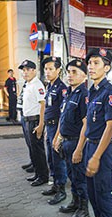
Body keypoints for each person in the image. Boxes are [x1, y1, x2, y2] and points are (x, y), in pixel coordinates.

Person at [78, 48, 112, 217]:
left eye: (96, 63)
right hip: (90, 146)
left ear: (107, 67)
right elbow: (88, 123)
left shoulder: (110, 93)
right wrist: (82, 149)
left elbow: (110, 127)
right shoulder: (92, 91)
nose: (91, 67)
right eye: (90, 63)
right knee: (91, 190)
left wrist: (96, 156)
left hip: (102, 150)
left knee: (103, 191)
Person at [53, 59, 90, 217]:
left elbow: (86, 124)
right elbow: (63, 117)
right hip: (66, 141)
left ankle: (84, 209)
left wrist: (80, 149)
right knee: (71, 175)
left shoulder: (84, 95)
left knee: (80, 177)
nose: (70, 75)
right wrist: (57, 137)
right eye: (68, 72)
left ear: (84, 76)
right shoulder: (68, 93)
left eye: (75, 72)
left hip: (76, 143)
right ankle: (75, 202)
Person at [41, 56, 68, 204]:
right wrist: (46, 128)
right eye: (46, 69)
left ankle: (62, 189)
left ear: (58, 70)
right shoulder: (50, 86)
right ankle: (55, 184)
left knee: (58, 159)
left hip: (57, 127)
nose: (48, 71)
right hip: (49, 127)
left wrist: (58, 135)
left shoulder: (61, 88)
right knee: (50, 158)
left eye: (51, 69)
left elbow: (62, 113)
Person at [19, 59, 49, 187]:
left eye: (27, 70)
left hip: (35, 121)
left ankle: (43, 176)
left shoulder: (37, 85)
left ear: (34, 71)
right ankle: (37, 173)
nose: (25, 73)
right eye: (23, 70)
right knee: (32, 149)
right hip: (27, 120)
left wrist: (41, 124)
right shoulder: (29, 84)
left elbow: (43, 105)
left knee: (38, 150)